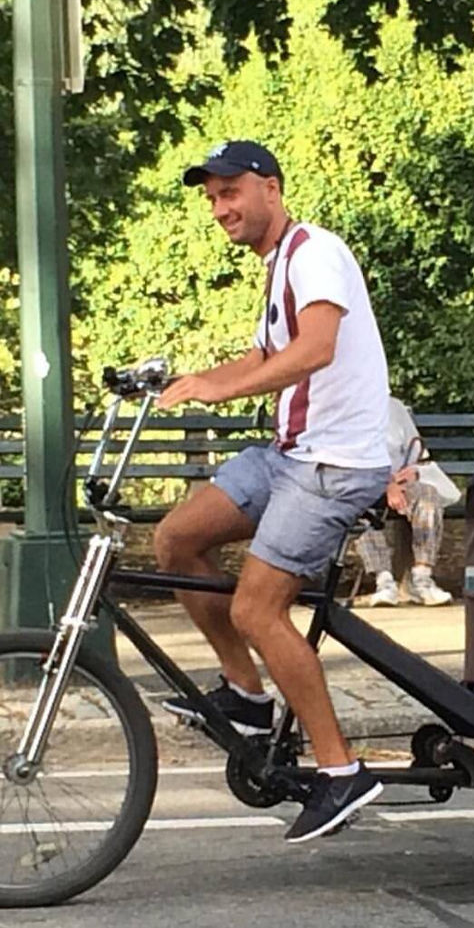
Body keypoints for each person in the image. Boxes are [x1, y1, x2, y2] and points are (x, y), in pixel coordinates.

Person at [153, 140, 391, 843]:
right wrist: (188, 380)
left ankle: (341, 771)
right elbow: (265, 355)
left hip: (335, 463)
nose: (221, 207)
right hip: (290, 453)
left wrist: (221, 387)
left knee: (260, 607)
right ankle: (248, 695)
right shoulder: (278, 263)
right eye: (212, 197)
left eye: (231, 192)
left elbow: (315, 347)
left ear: (271, 188)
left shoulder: (315, 251)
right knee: (175, 539)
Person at [358, 396, 461, 607]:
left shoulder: (394, 407)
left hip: (401, 480)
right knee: (357, 504)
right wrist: (386, 485)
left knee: (428, 496)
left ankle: (422, 579)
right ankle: (384, 582)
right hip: (361, 481)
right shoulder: (341, 407)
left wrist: (414, 473)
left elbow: (417, 453)